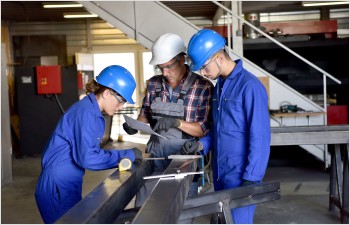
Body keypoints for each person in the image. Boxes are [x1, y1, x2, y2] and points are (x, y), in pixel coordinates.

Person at [181, 29, 271, 224]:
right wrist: (202, 145)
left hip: (241, 177)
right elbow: (221, 129)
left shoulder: (250, 87)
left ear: (219, 58)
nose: (203, 73)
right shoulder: (219, 88)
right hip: (221, 174)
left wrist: (252, 178)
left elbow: (260, 138)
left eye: (204, 67)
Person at [35, 65, 143, 224]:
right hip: (57, 187)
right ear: (107, 93)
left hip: (68, 183)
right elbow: (88, 158)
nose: (121, 106)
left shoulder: (92, 111)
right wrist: (127, 154)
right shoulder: (86, 113)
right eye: (121, 101)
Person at [122, 33, 214, 206]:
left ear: (182, 59)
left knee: (180, 212)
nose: (165, 73)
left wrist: (177, 122)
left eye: (169, 67)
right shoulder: (153, 84)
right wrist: (134, 126)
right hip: (154, 157)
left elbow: (204, 128)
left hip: (183, 158)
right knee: (145, 210)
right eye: (160, 67)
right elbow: (145, 115)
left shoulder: (203, 87)